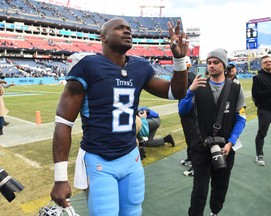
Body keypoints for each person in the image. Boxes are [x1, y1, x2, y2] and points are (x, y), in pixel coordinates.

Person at [50, 18, 189, 216]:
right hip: (99, 161)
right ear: (103, 37)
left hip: (131, 158)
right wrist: (60, 178)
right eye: (120, 28)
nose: (127, 31)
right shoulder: (88, 66)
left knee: (133, 211)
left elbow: (176, 92)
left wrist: (179, 60)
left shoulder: (140, 67)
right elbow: (64, 123)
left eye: (129, 29)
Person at [179, 48, 246, 216]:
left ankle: (215, 212)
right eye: (209, 63)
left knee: (221, 185)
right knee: (199, 189)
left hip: (225, 147)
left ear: (224, 65)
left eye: (216, 62)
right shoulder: (199, 86)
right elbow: (183, 110)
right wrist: (190, 91)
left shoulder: (236, 89)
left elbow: (241, 118)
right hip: (201, 146)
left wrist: (231, 142)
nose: (211, 66)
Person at [179, 56, 196, 176]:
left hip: (189, 111)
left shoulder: (187, 77)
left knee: (191, 138)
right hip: (188, 110)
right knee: (189, 137)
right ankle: (190, 158)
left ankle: (195, 165)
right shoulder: (190, 76)